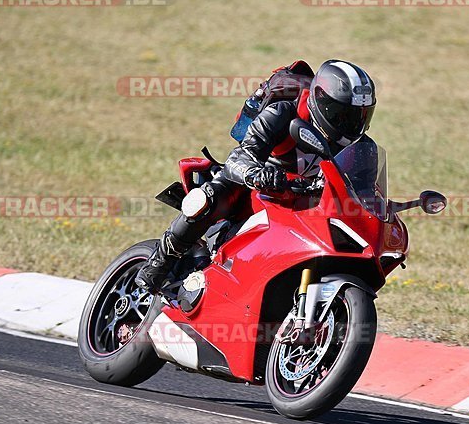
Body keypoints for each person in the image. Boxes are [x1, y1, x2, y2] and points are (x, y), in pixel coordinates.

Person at [135, 59, 378, 292]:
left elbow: (364, 193)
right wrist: (257, 175)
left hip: (306, 202)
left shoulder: (362, 148)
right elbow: (238, 158)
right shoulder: (282, 113)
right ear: (321, 101)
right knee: (207, 199)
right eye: (342, 114)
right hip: (258, 184)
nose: (351, 124)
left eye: (360, 116)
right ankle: (158, 265)